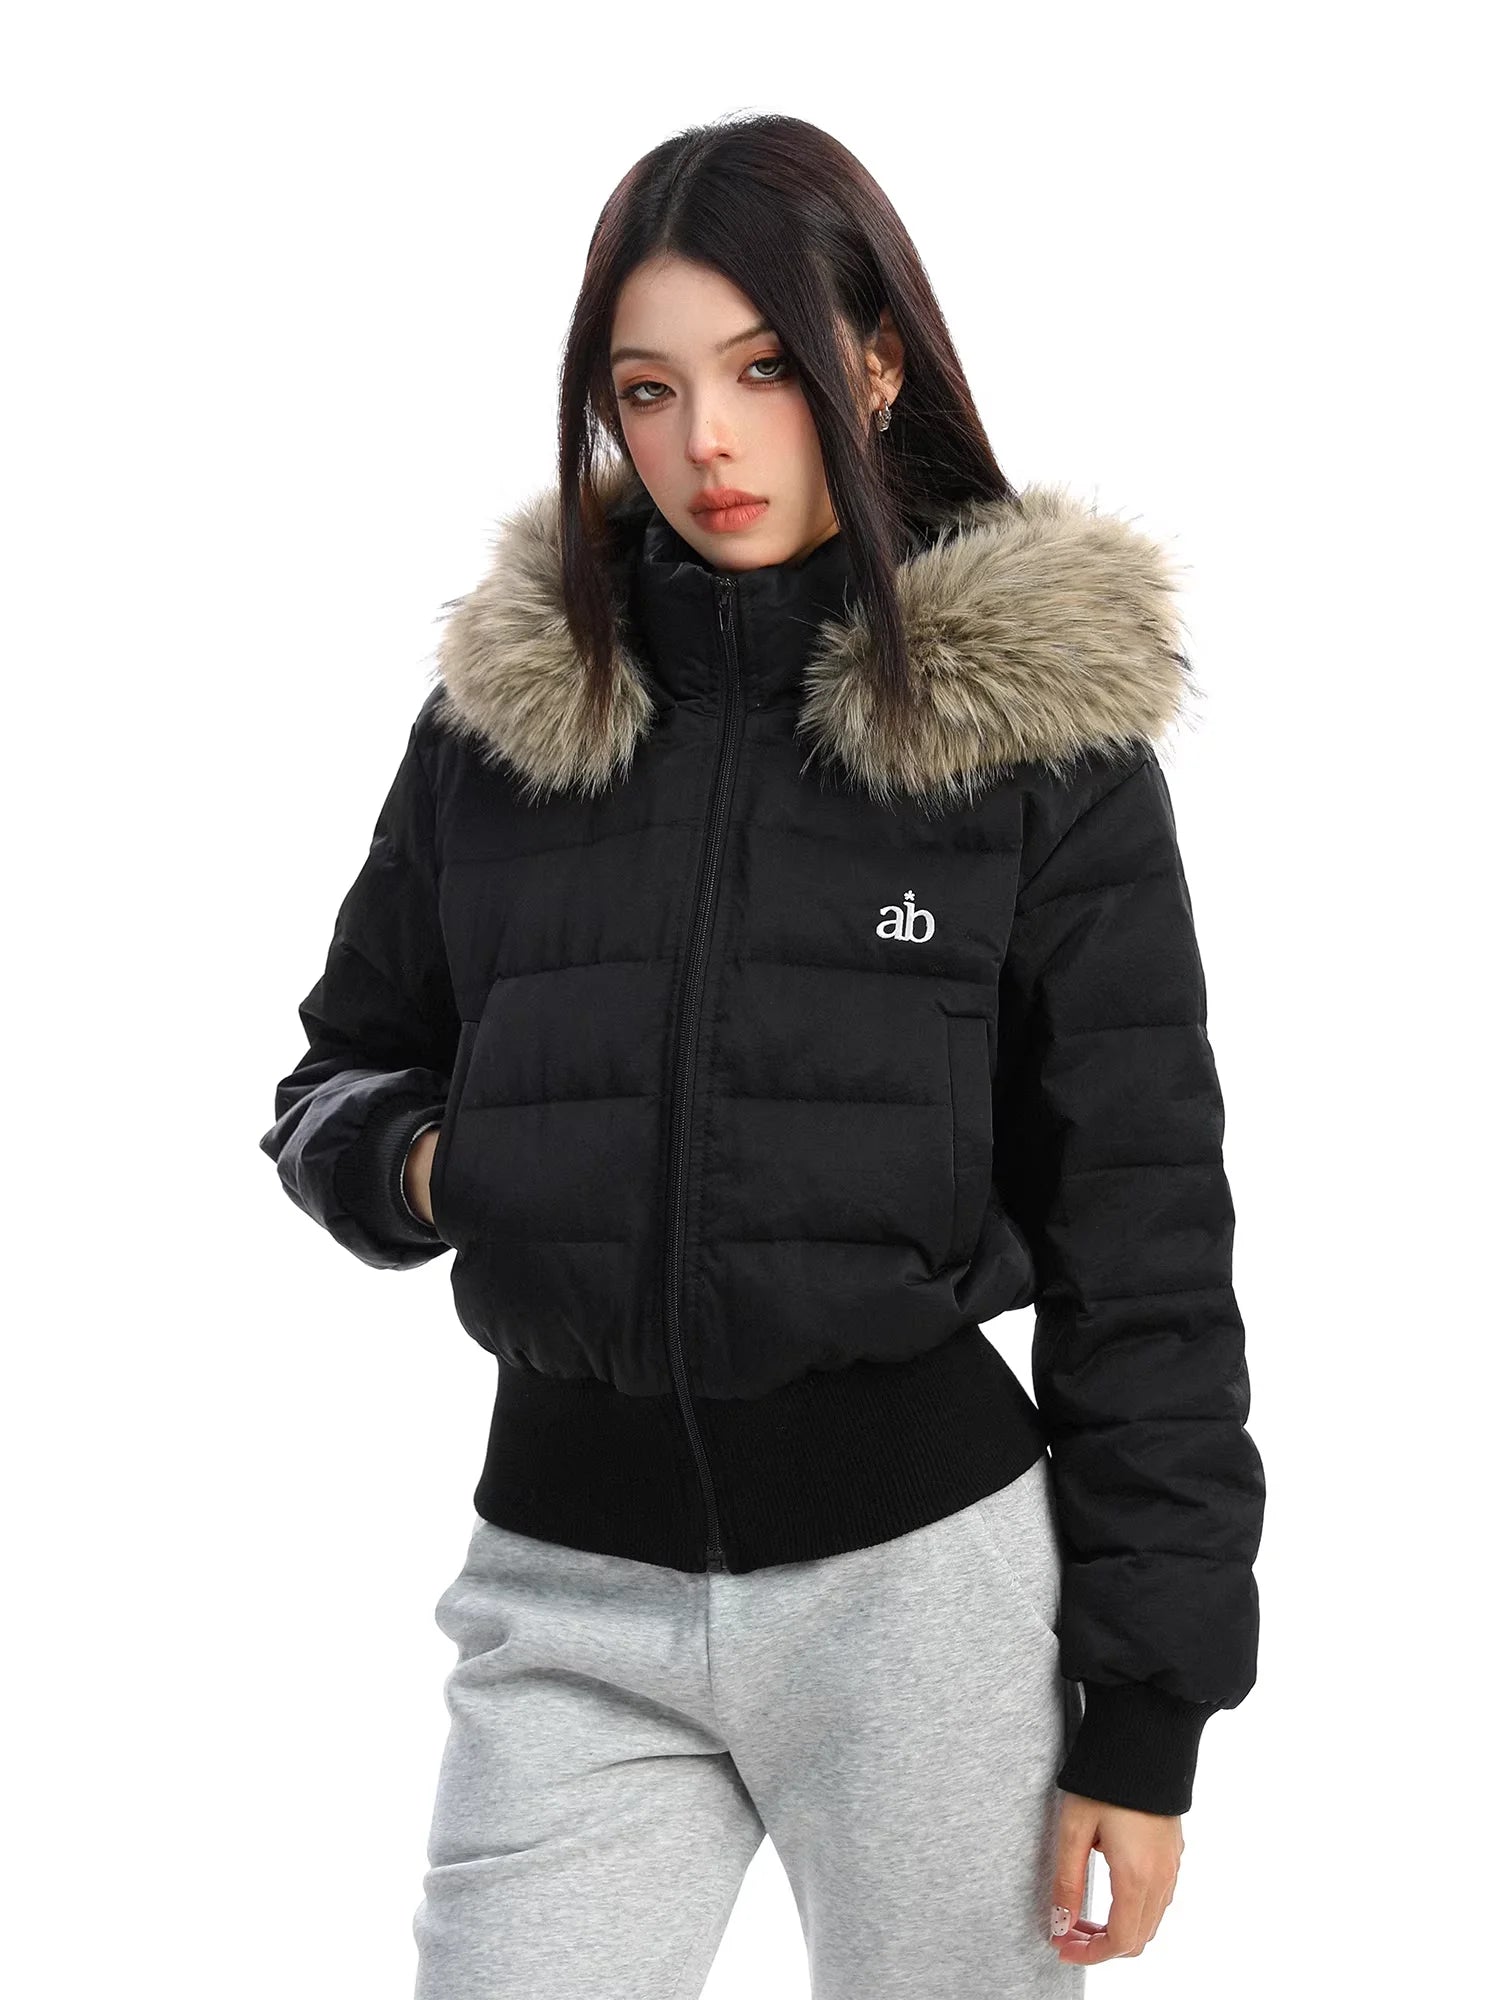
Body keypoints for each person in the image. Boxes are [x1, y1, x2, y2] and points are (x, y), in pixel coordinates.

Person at [259, 111, 1265, 1998]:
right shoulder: (508, 725)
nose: (704, 441)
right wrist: (438, 1166)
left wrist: (1147, 1717)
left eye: (764, 370)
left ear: (872, 366)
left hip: (923, 1597)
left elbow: (1144, 1245)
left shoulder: (1031, 747)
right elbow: (335, 1080)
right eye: (648, 390)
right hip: (565, 1592)